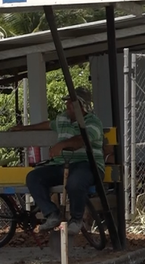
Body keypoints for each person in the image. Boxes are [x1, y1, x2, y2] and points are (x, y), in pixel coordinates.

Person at [10, 87, 105, 234]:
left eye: (72, 103)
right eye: (67, 102)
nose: (68, 106)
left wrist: (62, 145)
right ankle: (51, 214)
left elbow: (82, 140)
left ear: (83, 106)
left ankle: (76, 220)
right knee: (33, 177)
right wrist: (24, 128)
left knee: (75, 182)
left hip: (88, 165)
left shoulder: (93, 122)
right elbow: (48, 124)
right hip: (62, 164)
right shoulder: (62, 119)